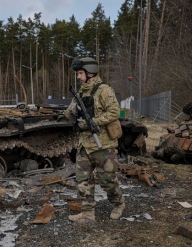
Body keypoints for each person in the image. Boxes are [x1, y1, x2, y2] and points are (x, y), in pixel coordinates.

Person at [65, 57, 125, 223]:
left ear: (90, 73)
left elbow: (114, 112)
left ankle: (118, 204)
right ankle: (87, 213)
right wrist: (72, 110)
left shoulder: (104, 90)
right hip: (84, 145)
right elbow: (68, 114)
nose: (78, 77)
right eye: (78, 73)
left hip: (103, 144)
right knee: (83, 181)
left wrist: (94, 121)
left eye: (80, 73)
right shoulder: (79, 94)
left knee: (108, 181)